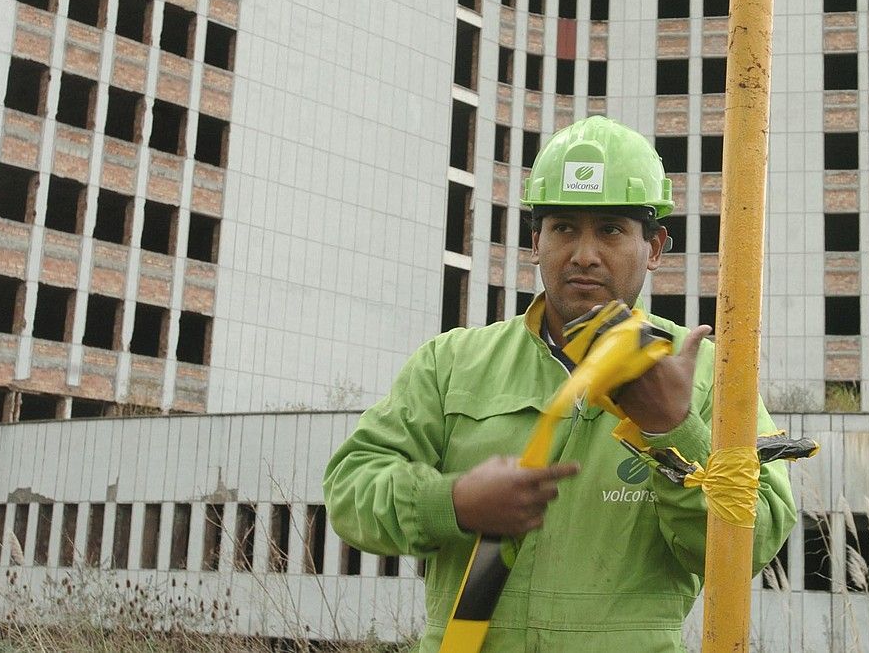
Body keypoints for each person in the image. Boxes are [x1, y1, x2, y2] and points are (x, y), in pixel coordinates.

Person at [324, 115, 796, 652]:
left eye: (612, 229)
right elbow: (350, 490)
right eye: (564, 227)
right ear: (536, 241)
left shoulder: (707, 375)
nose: (584, 254)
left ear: (656, 246)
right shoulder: (453, 362)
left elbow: (753, 541)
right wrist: (451, 503)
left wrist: (673, 429)